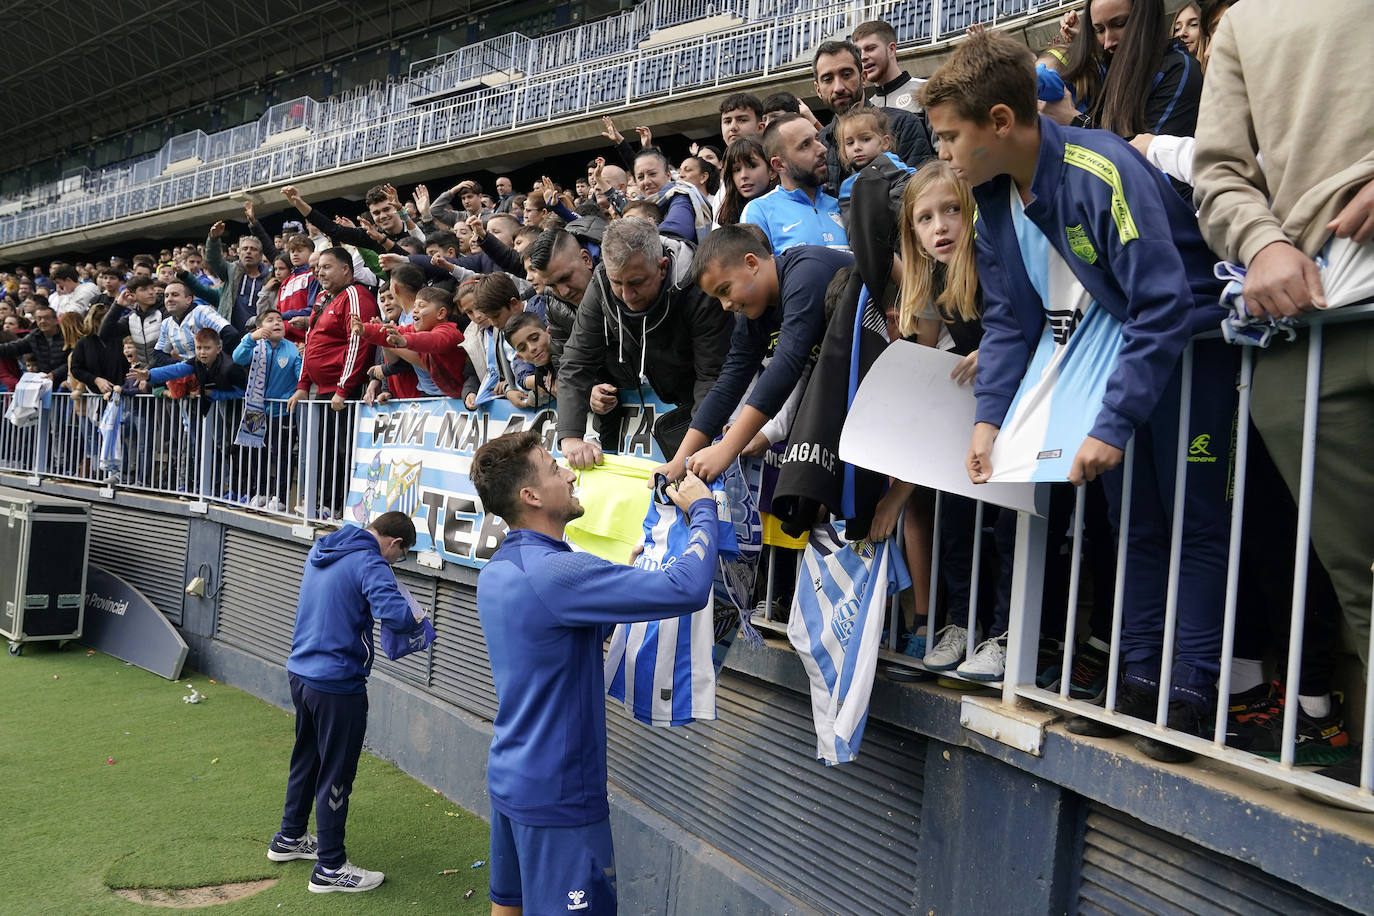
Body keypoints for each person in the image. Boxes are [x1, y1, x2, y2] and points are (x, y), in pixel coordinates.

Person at [926, 30, 1235, 760]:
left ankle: (1190, 687)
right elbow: (1008, 318)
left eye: (948, 137)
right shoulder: (994, 195)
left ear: (1001, 123)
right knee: (1135, 524)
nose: (939, 153)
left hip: (1194, 351)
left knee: (1193, 521)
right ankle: (1136, 679)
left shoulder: (1102, 167)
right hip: (1126, 357)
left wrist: (1113, 419)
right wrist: (988, 420)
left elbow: (1162, 304)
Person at [1192, 0, 1374, 783]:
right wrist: (1262, 241)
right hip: (1315, 330)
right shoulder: (1242, 23)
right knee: (1362, 585)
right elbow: (1219, 172)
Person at [470, 431, 717, 915]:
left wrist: (617, 591)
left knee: (508, 907)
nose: (569, 472)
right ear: (532, 496)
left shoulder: (503, 566)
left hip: (512, 777)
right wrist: (702, 508)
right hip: (560, 794)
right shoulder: (558, 574)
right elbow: (687, 589)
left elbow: (553, 632)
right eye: (553, 468)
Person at [266, 511, 420, 894]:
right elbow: (399, 617)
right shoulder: (370, 561)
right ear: (395, 543)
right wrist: (417, 612)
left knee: (307, 758)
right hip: (337, 684)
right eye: (399, 557)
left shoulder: (323, 546)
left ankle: (290, 838)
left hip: (301, 673)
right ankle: (330, 868)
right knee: (336, 773)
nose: (395, 563)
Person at [657, 224, 853, 483]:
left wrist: (726, 450)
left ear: (751, 263)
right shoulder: (754, 313)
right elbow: (729, 383)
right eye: (717, 298)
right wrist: (678, 461)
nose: (726, 305)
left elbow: (786, 367)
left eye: (725, 290)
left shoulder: (805, 272)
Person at [555, 218, 733, 470]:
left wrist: (690, 453)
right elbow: (576, 360)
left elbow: (712, 376)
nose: (626, 296)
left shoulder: (699, 285)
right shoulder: (602, 282)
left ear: (662, 267)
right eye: (617, 282)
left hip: (702, 394)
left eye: (636, 283)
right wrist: (570, 437)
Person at [1057, 0, 1203, 142]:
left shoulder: (1179, 70)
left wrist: (1076, 121)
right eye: (1099, 30)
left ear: (1147, 17)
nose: (1108, 43)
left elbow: (1142, 160)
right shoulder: (1111, 66)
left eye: (1119, 24)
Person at [812, 40, 936, 196]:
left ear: (864, 78)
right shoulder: (820, 143)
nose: (838, 87)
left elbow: (920, 195)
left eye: (846, 75)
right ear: (818, 89)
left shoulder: (902, 124)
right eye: (828, 79)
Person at [740, 114, 849, 254]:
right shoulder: (759, 211)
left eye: (817, 139)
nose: (822, 149)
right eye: (805, 145)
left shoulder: (841, 205)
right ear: (778, 164)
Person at [854, 19, 927, 113]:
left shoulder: (926, 91)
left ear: (891, 50)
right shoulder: (866, 109)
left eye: (870, 48)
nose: (863, 57)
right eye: (858, 52)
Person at [716, 137, 777, 228]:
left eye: (752, 166)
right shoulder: (728, 216)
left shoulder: (787, 208)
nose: (743, 175)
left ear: (772, 170)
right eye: (736, 170)